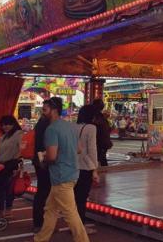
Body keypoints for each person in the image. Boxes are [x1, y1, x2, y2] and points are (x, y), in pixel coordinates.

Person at [34, 97, 89, 242]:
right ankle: (40, 238)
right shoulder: (70, 126)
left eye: (44, 110)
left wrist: (43, 159)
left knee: (70, 213)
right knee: (50, 210)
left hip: (60, 175)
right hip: (72, 172)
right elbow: (78, 149)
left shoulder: (51, 129)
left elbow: (51, 156)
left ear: (53, 110)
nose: (42, 113)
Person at [74, 105, 100, 234]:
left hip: (73, 166)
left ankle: (75, 225)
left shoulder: (74, 127)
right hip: (85, 167)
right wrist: (94, 169)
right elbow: (92, 149)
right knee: (82, 198)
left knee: (74, 198)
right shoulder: (91, 128)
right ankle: (80, 227)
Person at [0, 115, 23, 218]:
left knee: (7, 188)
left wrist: (18, 165)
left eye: (8, 124)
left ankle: (6, 210)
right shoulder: (3, 137)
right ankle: (1, 209)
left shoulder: (18, 134)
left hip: (11, 165)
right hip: (0, 165)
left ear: (13, 124)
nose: (5, 126)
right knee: (0, 188)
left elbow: (22, 150)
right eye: (3, 124)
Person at [32, 115, 51, 232]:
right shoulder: (47, 125)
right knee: (45, 193)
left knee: (42, 192)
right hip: (44, 162)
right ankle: (40, 224)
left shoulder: (40, 124)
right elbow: (42, 146)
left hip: (39, 162)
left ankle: (38, 222)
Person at [92, 99, 112, 167]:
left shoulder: (96, 118)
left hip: (99, 143)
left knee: (100, 158)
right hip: (102, 142)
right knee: (101, 158)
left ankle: (100, 173)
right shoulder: (102, 119)